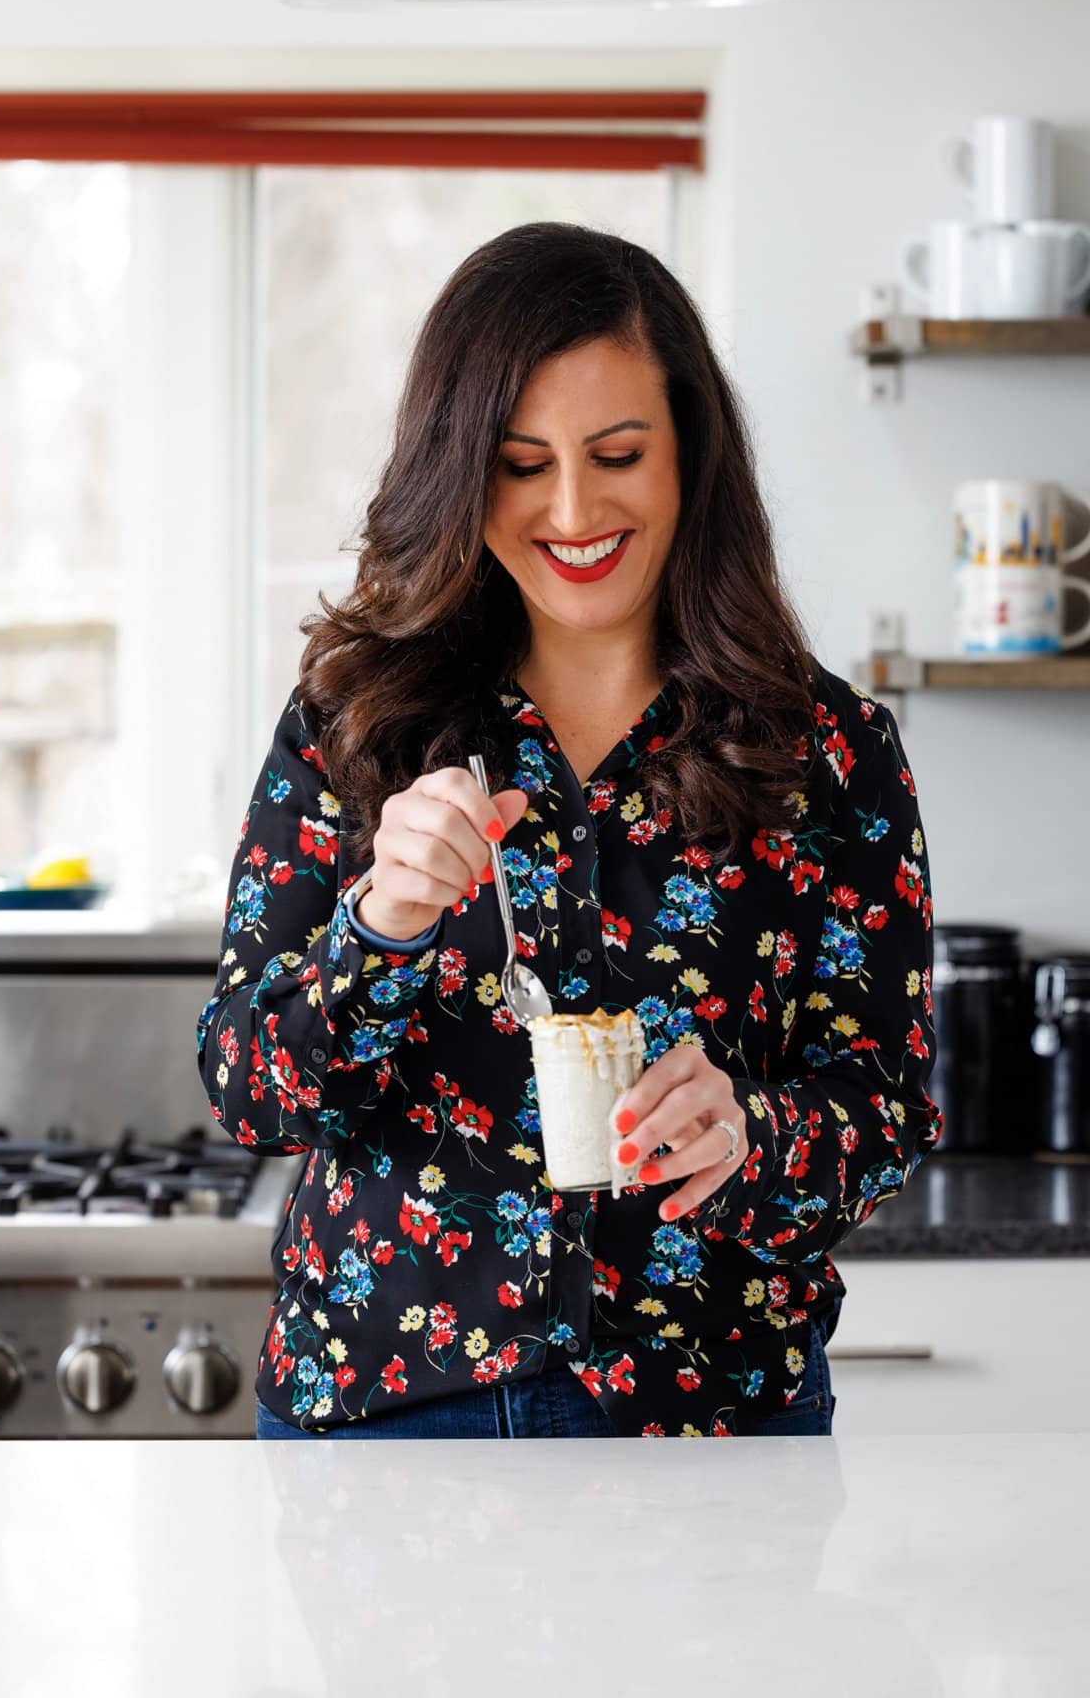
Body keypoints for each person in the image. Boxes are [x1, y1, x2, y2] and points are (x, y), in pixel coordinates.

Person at [195, 221, 943, 1440]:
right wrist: (377, 931)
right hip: (392, 1411)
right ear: (459, 470)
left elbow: (888, 1102)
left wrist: (755, 1132)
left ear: (689, 454)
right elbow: (250, 1087)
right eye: (521, 462)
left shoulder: (828, 749)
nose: (575, 507)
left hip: (709, 1420)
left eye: (618, 453)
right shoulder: (358, 717)